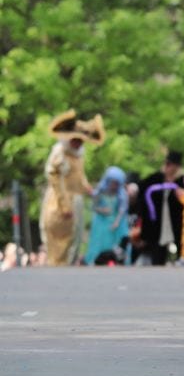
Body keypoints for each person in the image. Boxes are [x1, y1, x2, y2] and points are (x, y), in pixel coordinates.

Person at [40, 110, 104, 266]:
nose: (79, 143)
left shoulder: (77, 155)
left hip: (75, 200)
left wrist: (87, 188)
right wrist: (64, 205)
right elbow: (54, 177)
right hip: (60, 200)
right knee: (60, 240)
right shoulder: (60, 153)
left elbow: (79, 177)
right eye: (76, 140)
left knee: (74, 239)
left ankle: (67, 267)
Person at [135, 150, 184, 266]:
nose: (169, 167)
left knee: (179, 242)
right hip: (158, 221)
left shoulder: (183, 181)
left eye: (171, 165)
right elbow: (141, 188)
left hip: (176, 220)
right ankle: (158, 265)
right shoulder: (156, 178)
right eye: (167, 164)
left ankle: (180, 262)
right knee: (157, 248)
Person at [83, 166, 129, 265]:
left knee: (116, 244)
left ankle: (116, 261)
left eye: (117, 183)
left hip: (115, 223)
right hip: (102, 222)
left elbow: (122, 210)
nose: (114, 186)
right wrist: (101, 210)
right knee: (100, 243)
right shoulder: (100, 192)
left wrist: (117, 222)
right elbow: (93, 207)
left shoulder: (121, 195)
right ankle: (96, 261)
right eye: (113, 182)